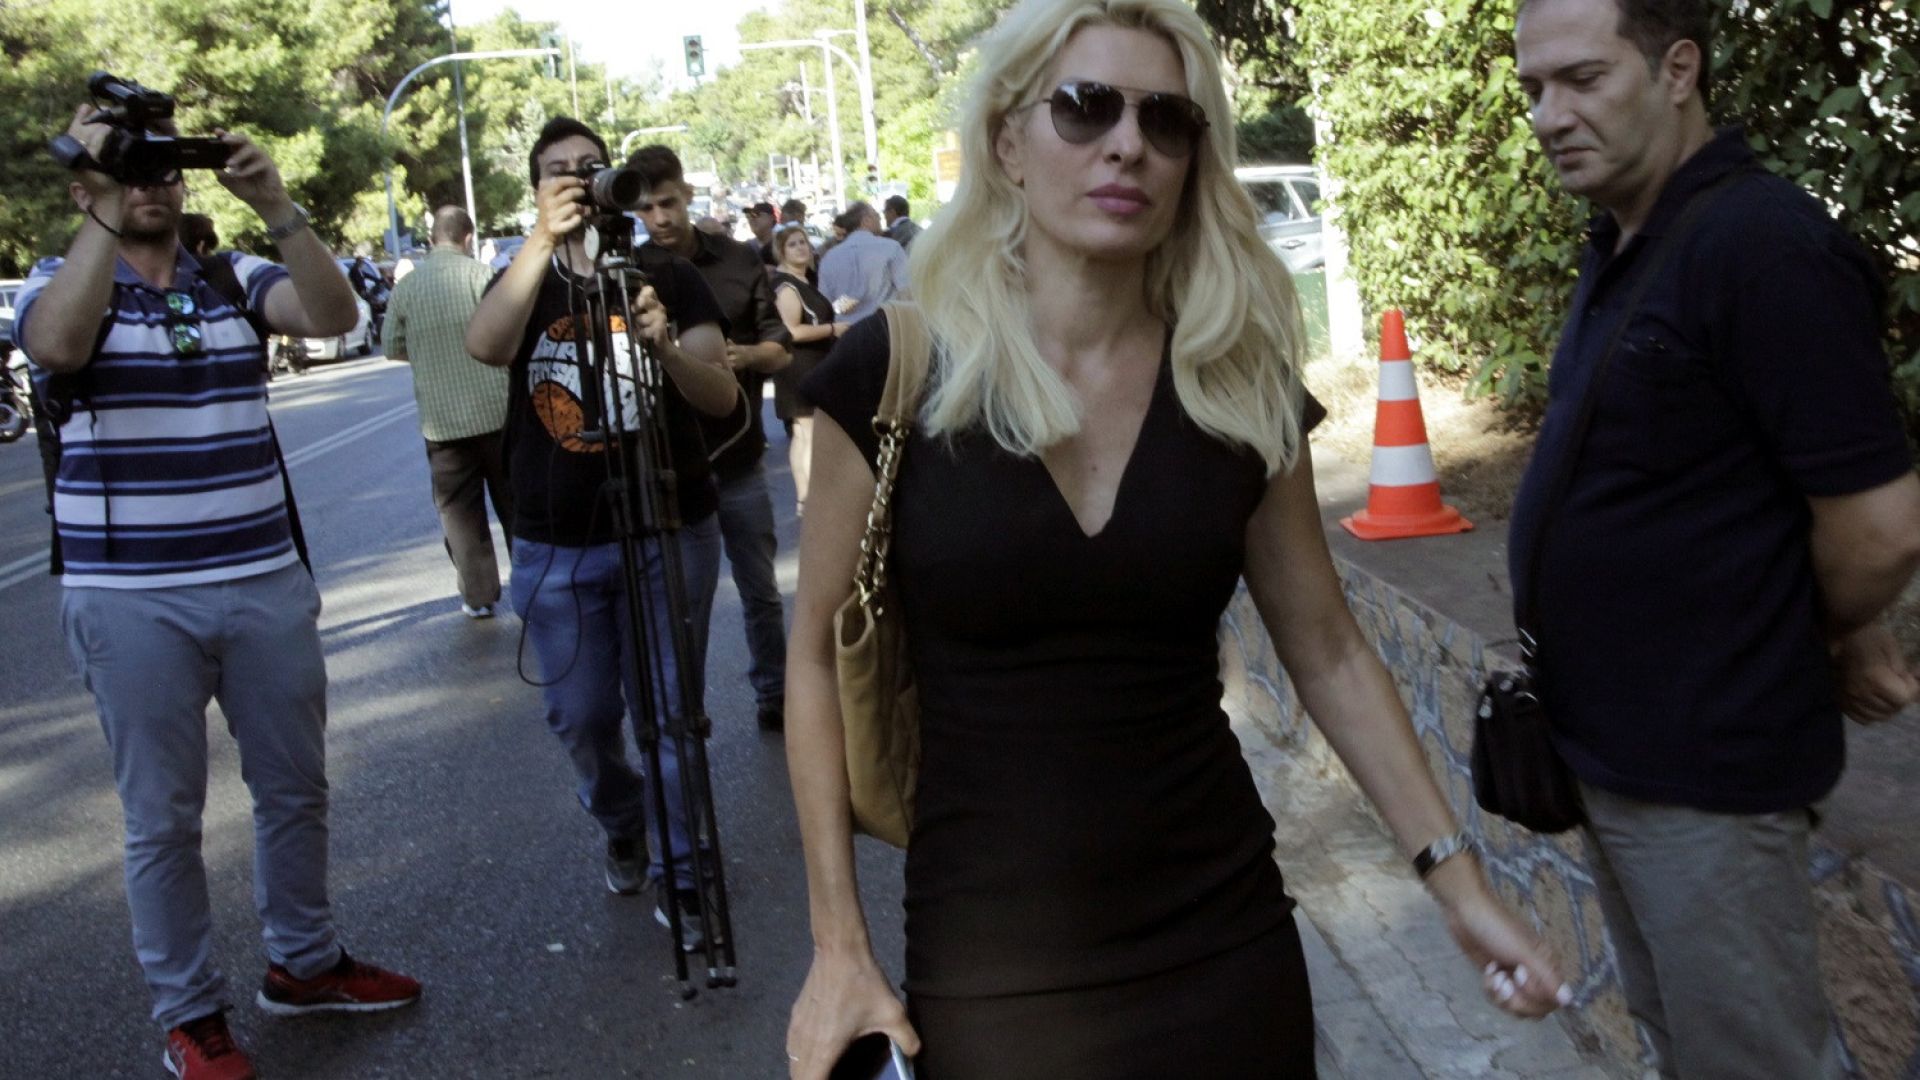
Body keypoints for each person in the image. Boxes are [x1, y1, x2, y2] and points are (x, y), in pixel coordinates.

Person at [782, 2, 1569, 1076]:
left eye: (1167, 120)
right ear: (1008, 144)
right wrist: (838, 947)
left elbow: (1329, 649)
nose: (1128, 144)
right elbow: (815, 662)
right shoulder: (893, 374)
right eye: (1085, 107)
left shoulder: (1234, 383)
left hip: (1226, 948)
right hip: (994, 971)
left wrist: (1458, 883)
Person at [1509, 2, 1920, 1077]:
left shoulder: (1763, 245)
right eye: (1534, 90)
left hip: (1708, 774)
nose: (1550, 116)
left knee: (1754, 1062)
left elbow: (1879, 530)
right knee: (1688, 1047)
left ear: (1678, 69)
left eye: (1583, 79)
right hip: (1621, 759)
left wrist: (1820, 629)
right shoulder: (1632, 238)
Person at [16, 104, 420, 1080]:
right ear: (87, 188)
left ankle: (305, 963)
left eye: (162, 167)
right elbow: (57, 348)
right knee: (162, 819)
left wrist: (276, 204)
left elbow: (335, 318)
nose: (150, 184)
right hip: (131, 598)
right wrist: (102, 207)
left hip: (263, 578)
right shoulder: (60, 279)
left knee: (295, 788)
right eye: (128, 171)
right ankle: (190, 1014)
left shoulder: (230, 276)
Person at [464, 117, 738, 939]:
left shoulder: (667, 276)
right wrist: (541, 244)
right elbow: (486, 346)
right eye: (559, 171)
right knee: (581, 718)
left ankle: (683, 870)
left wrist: (666, 350)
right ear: (537, 190)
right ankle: (622, 820)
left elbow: (721, 397)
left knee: (671, 714)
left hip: (669, 524)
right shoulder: (521, 279)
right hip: (558, 540)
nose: (579, 181)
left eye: (592, 166)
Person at [630, 144, 795, 733]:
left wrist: (743, 356)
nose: (660, 218)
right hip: (673, 467)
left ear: (688, 195)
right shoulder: (631, 271)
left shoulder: (739, 259)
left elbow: (781, 347)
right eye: (646, 208)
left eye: (668, 203)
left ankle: (775, 694)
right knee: (681, 608)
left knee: (760, 591)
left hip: (738, 456)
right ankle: (685, 715)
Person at [381, 205, 513, 618]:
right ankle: (535, 582)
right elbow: (512, 334)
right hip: (498, 414)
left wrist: (427, 354)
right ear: (469, 237)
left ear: (432, 238)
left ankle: (479, 597)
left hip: (442, 425)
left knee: (460, 516)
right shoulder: (484, 277)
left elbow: (391, 346)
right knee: (517, 505)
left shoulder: (407, 287)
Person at [768, 223, 846, 519]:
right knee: (809, 433)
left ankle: (806, 498)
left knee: (803, 433)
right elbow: (792, 331)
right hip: (801, 365)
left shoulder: (802, 280)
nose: (801, 248)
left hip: (808, 363)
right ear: (781, 251)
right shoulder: (787, 286)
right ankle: (814, 497)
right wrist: (833, 329)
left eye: (803, 242)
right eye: (792, 244)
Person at [815, 201, 908, 327]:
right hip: (885, 326)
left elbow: (826, 304)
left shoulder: (829, 257)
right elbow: (905, 291)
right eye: (877, 215)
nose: (880, 219)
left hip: (846, 330)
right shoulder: (891, 248)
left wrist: (852, 302)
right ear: (866, 220)